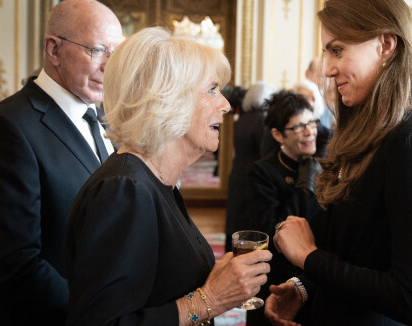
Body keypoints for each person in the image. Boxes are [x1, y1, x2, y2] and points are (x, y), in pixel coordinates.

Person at [265, 0, 412, 325]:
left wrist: (307, 257)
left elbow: (410, 297)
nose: (327, 68)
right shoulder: (369, 130)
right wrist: (305, 287)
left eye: (337, 50)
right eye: (327, 52)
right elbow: (359, 253)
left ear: (385, 45)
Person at [64, 27, 272, 325]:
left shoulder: (158, 182)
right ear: (169, 98)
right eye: (212, 89)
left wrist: (220, 284)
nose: (225, 104)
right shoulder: (125, 190)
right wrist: (209, 299)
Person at [0, 1, 122, 324]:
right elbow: (16, 263)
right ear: (54, 50)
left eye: (115, 55)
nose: (109, 66)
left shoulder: (104, 118)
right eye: (98, 50)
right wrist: (100, 315)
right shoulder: (8, 126)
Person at [244, 90, 322, 325]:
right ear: (278, 135)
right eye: (298, 127)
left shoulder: (323, 166)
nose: (310, 132)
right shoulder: (262, 172)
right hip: (278, 282)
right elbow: (274, 231)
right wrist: (305, 187)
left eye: (311, 122)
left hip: (316, 278)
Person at [225, 81, 277, 251]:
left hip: (237, 172)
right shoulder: (262, 121)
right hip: (253, 175)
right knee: (250, 222)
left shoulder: (241, 120)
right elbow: (265, 153)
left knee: (235, 218)